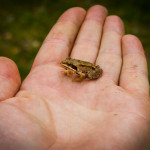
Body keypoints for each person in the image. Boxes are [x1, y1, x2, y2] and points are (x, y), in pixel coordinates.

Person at [0, 5, 150, 150]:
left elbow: (82, 75)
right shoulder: (70, 68)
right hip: (85, 65)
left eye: (67, 64)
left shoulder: (76, 71)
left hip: (88, 69)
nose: (65, 65)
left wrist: (75, 78)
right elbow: (70, 70)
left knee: (89, 74)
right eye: (66, 64)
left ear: (71, 66)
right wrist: (68, 72)